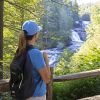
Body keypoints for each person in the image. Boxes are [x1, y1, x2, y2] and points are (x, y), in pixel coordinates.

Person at [16, 20, 51, 100]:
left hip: (24, 94)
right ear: (36, 35)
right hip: (36, 96)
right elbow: (47, 79)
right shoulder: (36, 53)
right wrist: (46, 59)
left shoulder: (20, 51)